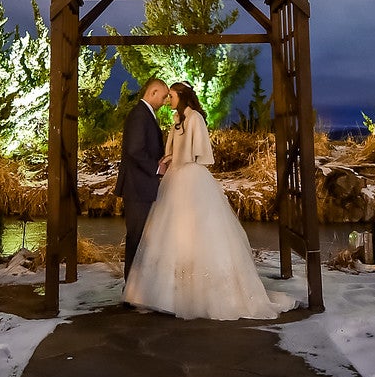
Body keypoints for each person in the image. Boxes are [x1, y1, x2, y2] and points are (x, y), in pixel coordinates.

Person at [124, 82, 295, 320]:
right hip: (173, 179)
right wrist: (168, 158)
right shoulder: (175, 119)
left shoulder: (195, 119)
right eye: (166, 96)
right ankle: (165, 292)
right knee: (170, 234)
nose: (167, 101)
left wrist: (175, 157)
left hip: (191, 177)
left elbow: (201, 153)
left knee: (197, 231)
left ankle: (200, 292)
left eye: (170, 96)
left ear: (181, 96)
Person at [114, 78, 170, 281]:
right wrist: (157, 167)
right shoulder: (140, 115)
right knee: (136, 239)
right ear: (153, 92)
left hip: (141, 186)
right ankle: (132, 290)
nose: (165, 101)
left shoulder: (145, 114)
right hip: (138, 187)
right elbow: (135, 149)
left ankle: (139, 288)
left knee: (141, 239)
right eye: (163, 97)